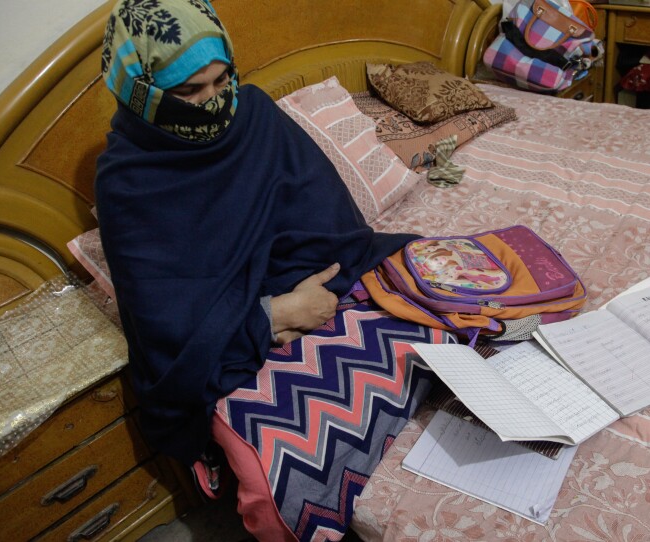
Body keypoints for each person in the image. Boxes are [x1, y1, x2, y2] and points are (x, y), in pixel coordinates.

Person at [94, 0, 417, 464]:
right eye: (189, 90)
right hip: (237, 335)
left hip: (321, 288)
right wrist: (272, 315)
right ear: (140, 92)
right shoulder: (128, 181)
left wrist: (312, 295)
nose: (213, 101)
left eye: (223, 79)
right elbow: (165, 322)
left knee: (457, 312)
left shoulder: (254, 115)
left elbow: (328, 226)